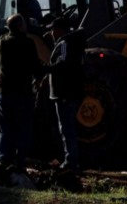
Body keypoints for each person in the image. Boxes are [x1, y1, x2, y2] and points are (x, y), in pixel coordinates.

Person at [0, 13, 41, 171]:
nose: (26, 26)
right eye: (24, 23)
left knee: (6, 128)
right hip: (23, 92)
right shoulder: (29, 43)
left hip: (4, 92)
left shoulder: (1, 42)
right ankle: (20, 160)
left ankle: (3, 160)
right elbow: (35, 67)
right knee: (24, 127)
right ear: (20, 26)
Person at [44, 16, 86, 172]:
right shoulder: (76, 43)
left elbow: (62, 63)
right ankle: (72, 159)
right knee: (69, 127)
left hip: (64, 92)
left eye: (53, 29)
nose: (51, 33)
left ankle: (70, 162)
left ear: (59, 30)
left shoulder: (64, 43)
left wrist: (46, 69)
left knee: (66, 128)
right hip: (73, 91)